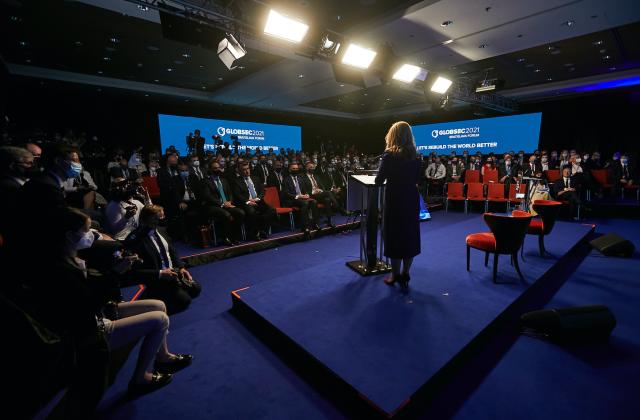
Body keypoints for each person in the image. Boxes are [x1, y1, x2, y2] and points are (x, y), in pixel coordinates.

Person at [23, 208, 192, 418]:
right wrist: (114, 274)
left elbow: (96, 291)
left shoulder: (74, 256)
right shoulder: (59, 268)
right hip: (88, 329)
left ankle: (163, 357)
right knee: (159, 319)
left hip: (99, 310)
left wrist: (116, 271)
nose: (92, 235)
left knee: (158, 305)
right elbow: (87, 303)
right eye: (86, 231)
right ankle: (141, 378)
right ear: (69, 235)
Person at [124, 205, 202, 314]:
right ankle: (150, 296)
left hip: (172, 272)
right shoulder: (135, 240)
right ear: (145, 219)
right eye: (155, 219)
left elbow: (172, 251)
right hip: (157, 277)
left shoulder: (161, 230)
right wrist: (160, 273)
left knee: (196, 289)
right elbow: (135, 272)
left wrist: (181, 268)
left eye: (160, 218)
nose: (159, 221)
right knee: (184, 301)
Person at [375, 121, 421, 289]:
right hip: (411, 199)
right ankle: (406, 273)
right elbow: (417, 180)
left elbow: (379, 180)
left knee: (394, 236)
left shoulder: (388, 155)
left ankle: (394, 275)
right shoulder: (416, 156)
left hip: (395, 200)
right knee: (409, 235)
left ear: (393, 135)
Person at [198, 161, 245, 245]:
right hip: (214, 206)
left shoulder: (224, 180)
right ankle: (225, 237)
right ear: (210, 170)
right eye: (215, 168)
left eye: (218, 168)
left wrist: (230, 201)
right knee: (226, 215)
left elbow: (230, 193)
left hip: (227, 204)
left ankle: (234, 236)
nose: (217, 169)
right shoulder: (205, 181)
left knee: (240, 212)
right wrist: (222, 203)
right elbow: (208, 197)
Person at [231, 162, 276, 240]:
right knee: (252, 212)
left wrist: (258, 198)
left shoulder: (256, 178)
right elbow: (237, 195)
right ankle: (254, 233)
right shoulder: (236, 181)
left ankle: (261, 229)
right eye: (244, 170)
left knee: (271, 210)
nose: (247, 171)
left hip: (258, 201)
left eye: (248, 169)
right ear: (240, 171)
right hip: (246, 203)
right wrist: (248, 201)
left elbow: (262, 190)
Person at [282, 162, 321, 238]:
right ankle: (305, 227)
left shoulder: (300, 178)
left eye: (297, 168)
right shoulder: (286, 180)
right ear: (289, 170)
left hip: (302, 198)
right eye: (293, 168)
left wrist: (306, 194)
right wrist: (298, 196)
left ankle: (315, 223)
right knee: (305, 203)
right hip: (292, 200)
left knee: (314, 201)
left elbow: (304, 190)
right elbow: (286, 193)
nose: (295, 170)